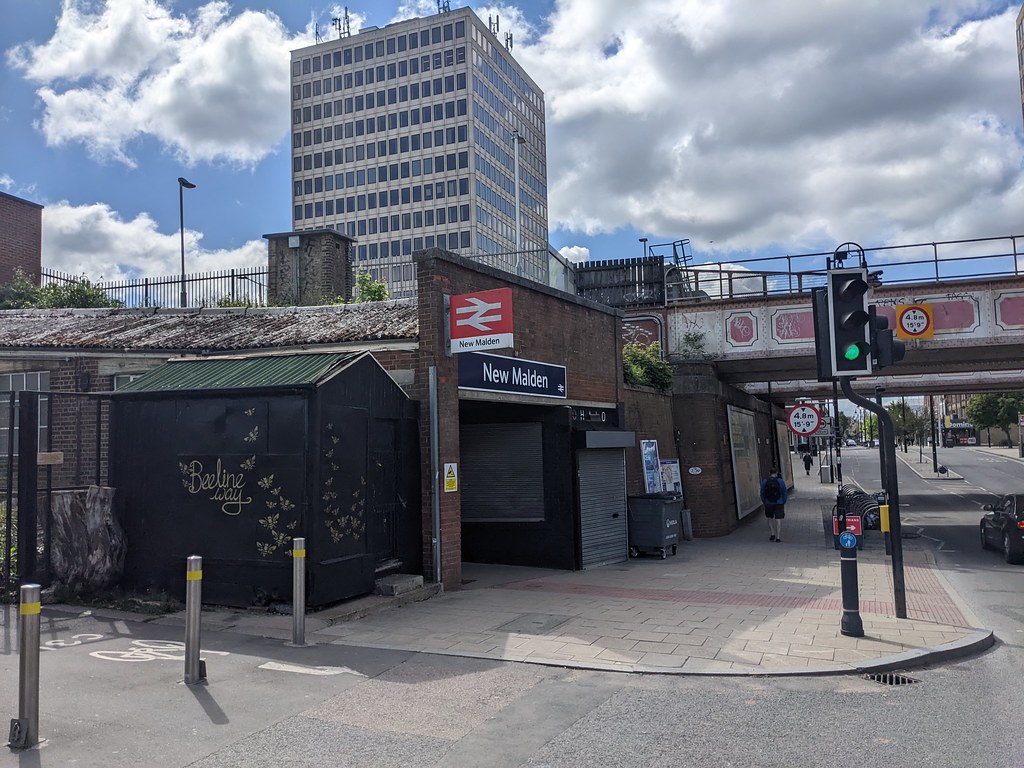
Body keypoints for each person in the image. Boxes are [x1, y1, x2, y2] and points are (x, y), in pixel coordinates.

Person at [760, 467, 788, 542]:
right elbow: (784, 492)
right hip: (779, 503)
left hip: (769, 503)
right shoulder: (780, 481)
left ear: (769, 473)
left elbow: (762, 493)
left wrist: (764, 501)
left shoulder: (765, 482)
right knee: (778, 520)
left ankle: (772, 533)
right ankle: (778, 537)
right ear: (777, 473)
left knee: (770, 518)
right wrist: (783, 501)